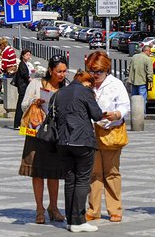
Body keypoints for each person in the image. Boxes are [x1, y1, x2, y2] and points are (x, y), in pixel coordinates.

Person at [18, 55, 67, 225]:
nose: (62, 75)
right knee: (37, 172)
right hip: (36, 133)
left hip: (54, 135)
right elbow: (24, 104)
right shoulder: (36, 84)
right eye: (59, 71)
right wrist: (36, 102)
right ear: (51, 70)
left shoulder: (64, 88)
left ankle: (54, 207)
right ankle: (40, 209)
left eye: (64, 71)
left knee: (54, 173)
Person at [85, 50, 131, 223]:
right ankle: (93, 209)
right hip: (91, 131)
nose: (96, 75)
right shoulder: (87, 83)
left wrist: (117, 114)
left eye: (99, 71)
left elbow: (126, 105)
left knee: (111, 172)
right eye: (92, 71)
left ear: (107, 70)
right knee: (94, 173)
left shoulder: (116, 84)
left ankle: (115, 209)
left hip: (111, 131)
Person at [55, 70, 102, 232]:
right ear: (86, 82)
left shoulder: (61, 92)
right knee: (82, 180)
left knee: (70, 180)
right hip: (82, 140)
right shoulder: (85, 91)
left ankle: (70, 220)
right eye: (91, 85)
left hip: (63, 141)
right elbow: (96, 115)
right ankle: (79, 220)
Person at [13, 49, 34, 130]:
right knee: (20, 105)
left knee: (22, 105)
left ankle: (20, 123)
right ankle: (17, 123)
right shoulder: (22, 64)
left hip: (23, 87)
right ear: (23, 55)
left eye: (29, 55)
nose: (29, 56)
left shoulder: (25, 64)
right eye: (27, 55)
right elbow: (24, 74)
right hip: (23, 87)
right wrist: (30, 79)